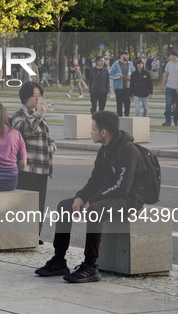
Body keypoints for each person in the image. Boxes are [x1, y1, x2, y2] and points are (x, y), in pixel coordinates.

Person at [35, 111, 145, 283]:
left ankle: (90, 266)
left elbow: (122, 188)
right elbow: (95, 180)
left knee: (94, 210)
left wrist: (92, 201)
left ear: (104, 132)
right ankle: (59, 260)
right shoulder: (104, 150)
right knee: (65, 206)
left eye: (93, 129)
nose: (90, 132)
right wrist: (81, 197)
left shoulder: (128, 151)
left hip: (128, 199)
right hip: (109, 195)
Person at [11, 82, 56, 244]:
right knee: (25, 205)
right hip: (27, 168)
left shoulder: (38, 115)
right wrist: (38, 113)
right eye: (34, 96)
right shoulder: (19, 115)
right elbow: (22, 131)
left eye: (39, 96)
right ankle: (22, 235)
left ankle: (34, 236)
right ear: (25, 97)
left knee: (39, 205)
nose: (38, 99)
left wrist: (52, 146)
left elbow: (44, 136)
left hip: (42, 167)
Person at [161, 49, 178, 126]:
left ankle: (176, 120)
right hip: (169, 87)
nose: (169, 57)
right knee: (168, 104)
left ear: (175, 56)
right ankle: (168, 120)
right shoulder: (168, 64)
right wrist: (163, 84)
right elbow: (166, 74)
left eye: (170, 55)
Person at [109, 50, 135, 117]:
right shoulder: (116, 64)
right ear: (121, 55)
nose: (127, 56)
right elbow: (110, 74)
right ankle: (119, 117)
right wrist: (119, 76)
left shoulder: (130, 64)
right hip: (118, 87)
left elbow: (134, 74)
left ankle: (127, 116)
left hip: (127, 87)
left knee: (127, 103)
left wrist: (130, 78)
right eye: (126, 55)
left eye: (128, 55)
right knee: (119, 103)